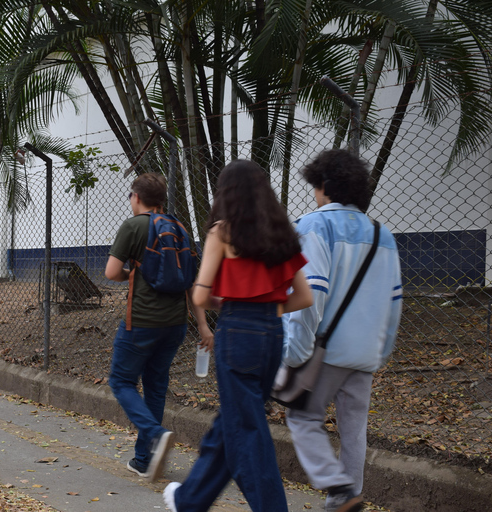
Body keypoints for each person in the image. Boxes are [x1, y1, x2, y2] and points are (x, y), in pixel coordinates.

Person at [163, 160, 313, 512]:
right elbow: (304, 297)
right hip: (271, 336)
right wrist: (268, 309)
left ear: (225, 195)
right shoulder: (283, 233)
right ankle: (190, 499)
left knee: (245, 429)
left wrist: (229, 303)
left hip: (237, 333)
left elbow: (200, 296)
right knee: (235, 418)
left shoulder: (222, 232)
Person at [282, 149, 403, 512]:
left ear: (325, 186)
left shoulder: (313, 225)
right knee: (354, 429)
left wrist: (297, 350)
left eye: (315, 186)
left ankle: (340, 490)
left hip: (325, 349)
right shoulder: (383, 235)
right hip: (366, 351)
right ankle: (348, 496)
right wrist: (382, 351)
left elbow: (312, 292)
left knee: (302, 416)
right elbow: (395, 302)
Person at [105, 172, 213, 483]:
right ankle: (143, 461)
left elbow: (111, 272)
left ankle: (155, 433)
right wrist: (203, 325)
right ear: (162, 200)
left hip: (140, 322)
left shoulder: (133, 226)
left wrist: (132, 274)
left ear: (135, 197)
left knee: (121, 381)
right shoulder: (180, 229)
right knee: (155, 386)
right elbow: (194, 282)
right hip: (176, 324)